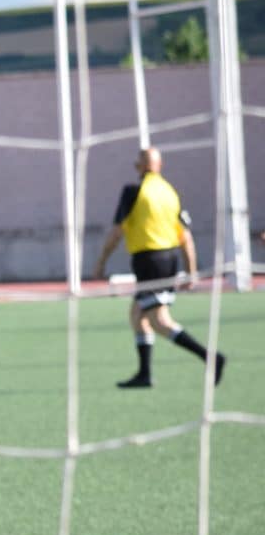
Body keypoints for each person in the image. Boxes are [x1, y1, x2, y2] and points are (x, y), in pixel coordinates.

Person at [91, 146, 226, 388]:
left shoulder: (133, 191)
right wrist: (191, 271)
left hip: (150, 261)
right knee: (137, 314)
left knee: (159, 320)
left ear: (139, 166)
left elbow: (116, 232)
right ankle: (144, 374)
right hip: (167, 259)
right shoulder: (170, 193)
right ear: (160, 166)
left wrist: (101, 262)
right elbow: (186, 237)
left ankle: (210, 357)